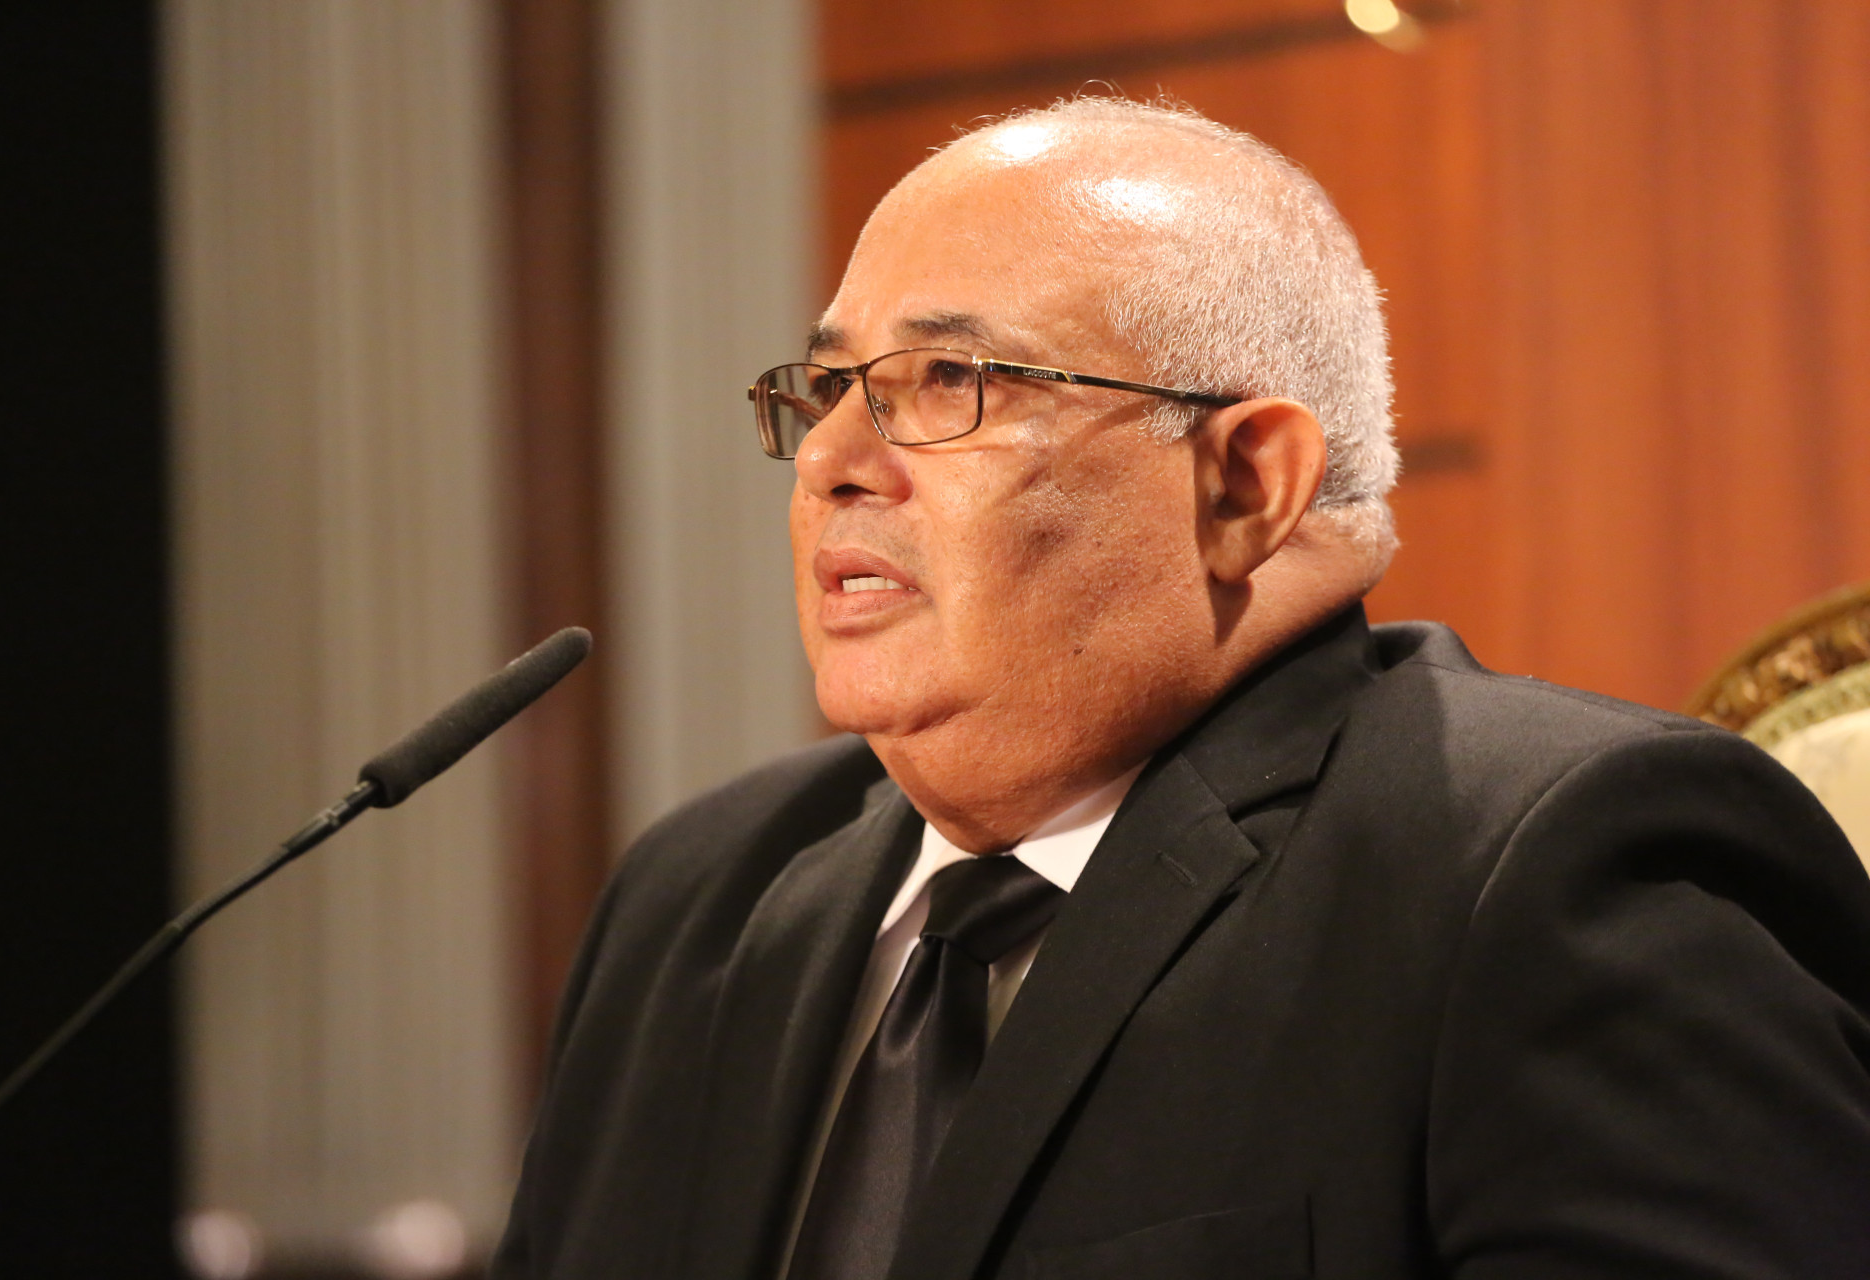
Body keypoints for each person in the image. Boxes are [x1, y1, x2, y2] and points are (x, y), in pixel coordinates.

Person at [493, 98, 1870, 1280]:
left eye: (949, 380)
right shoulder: (696, 898)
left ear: (1245, 483)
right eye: (830, 387)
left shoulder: (1558, 869)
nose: (829, 460)